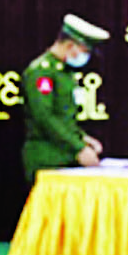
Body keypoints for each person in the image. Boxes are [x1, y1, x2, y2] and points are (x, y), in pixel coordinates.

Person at [22, 14, 109, 184]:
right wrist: (79, 148)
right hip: (46, 156)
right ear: (70, 46)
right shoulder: (41, 72)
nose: (85, 57)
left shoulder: (64, 72)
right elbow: (44, 117)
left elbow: (65, 118)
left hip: (64, 153)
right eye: (85, 52)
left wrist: (82, 138)